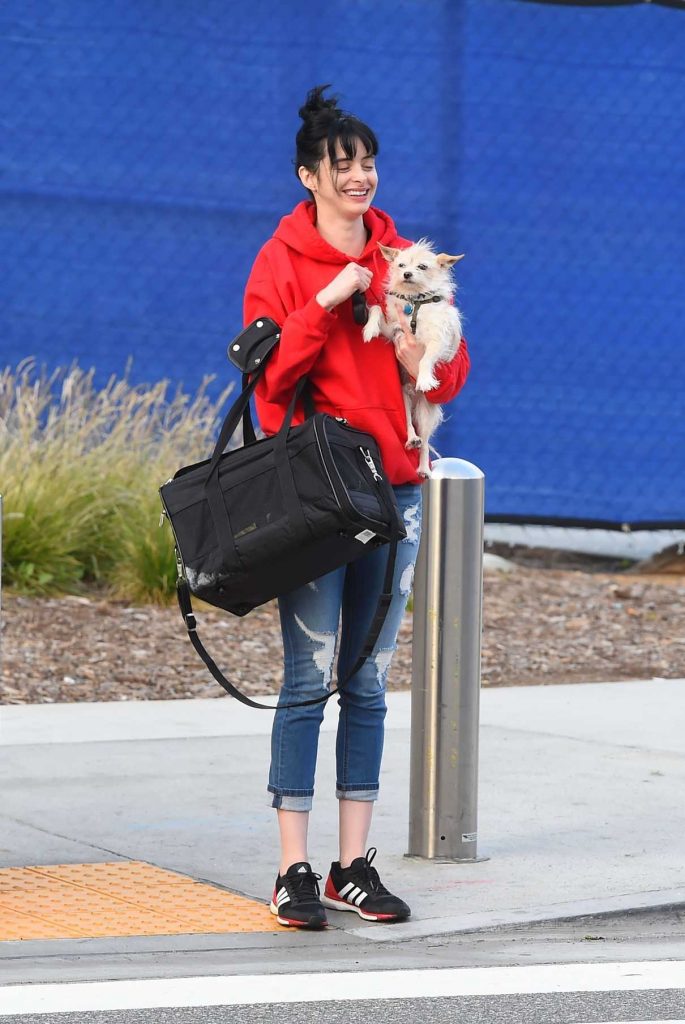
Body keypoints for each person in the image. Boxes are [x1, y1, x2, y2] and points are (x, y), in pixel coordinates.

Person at [243, 85, 470, 929]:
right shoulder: (281, 261)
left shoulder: (404, 257)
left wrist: (422, 358)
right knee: (306, 680)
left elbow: (451, 371)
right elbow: (268, 384)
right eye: (342, 166)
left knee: (367, 682)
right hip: (318, 495)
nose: (359, 177)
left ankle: (351, 866)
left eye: (367, 163)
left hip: (397, 486)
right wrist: (328, 303)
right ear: (308, 176)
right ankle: (292, 869)